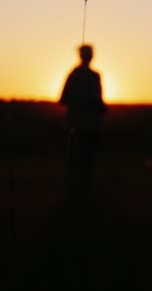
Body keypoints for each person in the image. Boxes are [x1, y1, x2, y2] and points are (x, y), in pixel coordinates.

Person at [59, 44, 106, 200]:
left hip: (76, 124)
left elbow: (63, 99)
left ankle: (76, 193)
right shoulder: (94, 76)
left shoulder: (74, 75)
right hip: (89, 125)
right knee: (87, 160)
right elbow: (99, 102)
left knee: (76, 160)